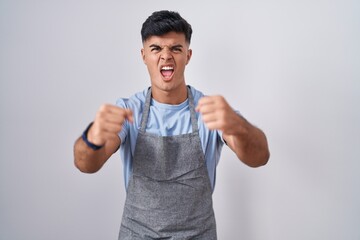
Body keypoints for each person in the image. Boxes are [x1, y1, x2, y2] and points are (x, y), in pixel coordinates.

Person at [74, 10, 270, 240]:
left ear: (188, 55)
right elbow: (85, 164)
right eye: (156, 48)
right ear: (143, 55)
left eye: (175, 48)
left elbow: (260, 157)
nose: (166, 56)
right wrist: (91, 138)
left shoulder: (211, 112)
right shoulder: (129, 111)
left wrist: (238, 125)